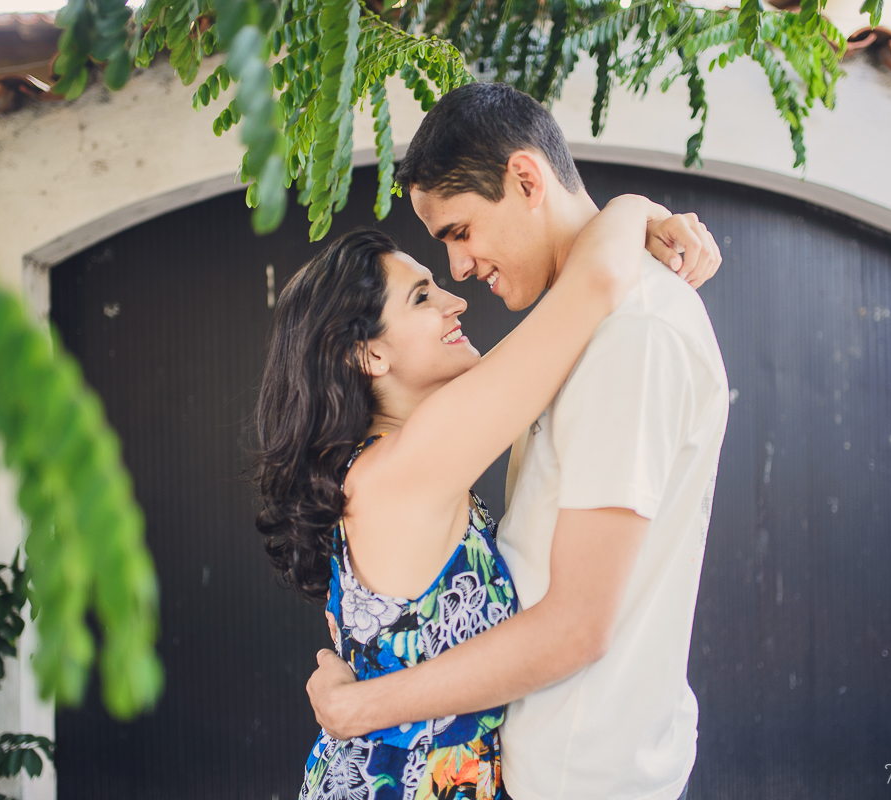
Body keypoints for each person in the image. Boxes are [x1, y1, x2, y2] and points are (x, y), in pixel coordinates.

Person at [304, 83, 730, 800]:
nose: (460, 276)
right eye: (427, 284)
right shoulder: (578, 331)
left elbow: (576, 625)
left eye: (460, 233)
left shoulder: (633, 335)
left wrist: (358, 707)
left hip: (579, 769)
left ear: (526, 179)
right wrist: (635, 211)